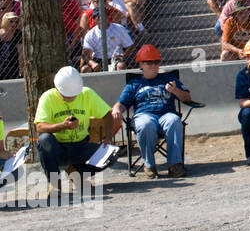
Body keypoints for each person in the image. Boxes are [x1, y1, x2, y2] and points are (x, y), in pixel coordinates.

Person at [34, 66, 122, 187]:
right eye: (66, 95)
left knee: (111, 155)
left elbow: (107, 114)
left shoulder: (87, 93)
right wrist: (62, 126)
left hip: (81, 145)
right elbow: (39, 127)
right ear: (57, 88)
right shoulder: (47, 97)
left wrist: (108, 137)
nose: (70, 98)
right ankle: (54, 182)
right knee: (44, 140)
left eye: (73, 95)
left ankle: (75, 172)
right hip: (58, 147)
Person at [113, 44, 191, 178]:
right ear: (141, 65)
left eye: (156, 62)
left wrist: (175, 91)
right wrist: (116, 110)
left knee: (174, 121)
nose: (154, 65)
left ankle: (175, 165)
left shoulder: (168, 79)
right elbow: (121, 103)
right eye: (149, 62)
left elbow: (187, 98)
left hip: (166, 114)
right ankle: (149, 164)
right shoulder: (134, 84)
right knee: (145, 125)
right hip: (145, 115)